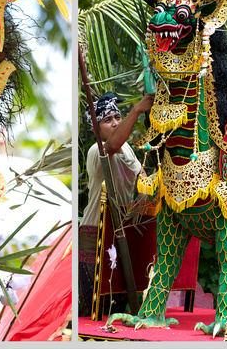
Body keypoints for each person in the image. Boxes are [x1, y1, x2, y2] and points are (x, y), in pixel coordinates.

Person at [78, 91, 154, 317]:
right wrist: (137, 110)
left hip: (122, 231)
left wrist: (140, 211)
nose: (114, 123)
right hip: (96, 234)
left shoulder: (128, 148)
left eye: (117, 118)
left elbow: (144, 183)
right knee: (94, 311)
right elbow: (113, 144)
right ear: (96, 128)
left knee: (118, 309)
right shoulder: (97, 150)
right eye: (107, 120)